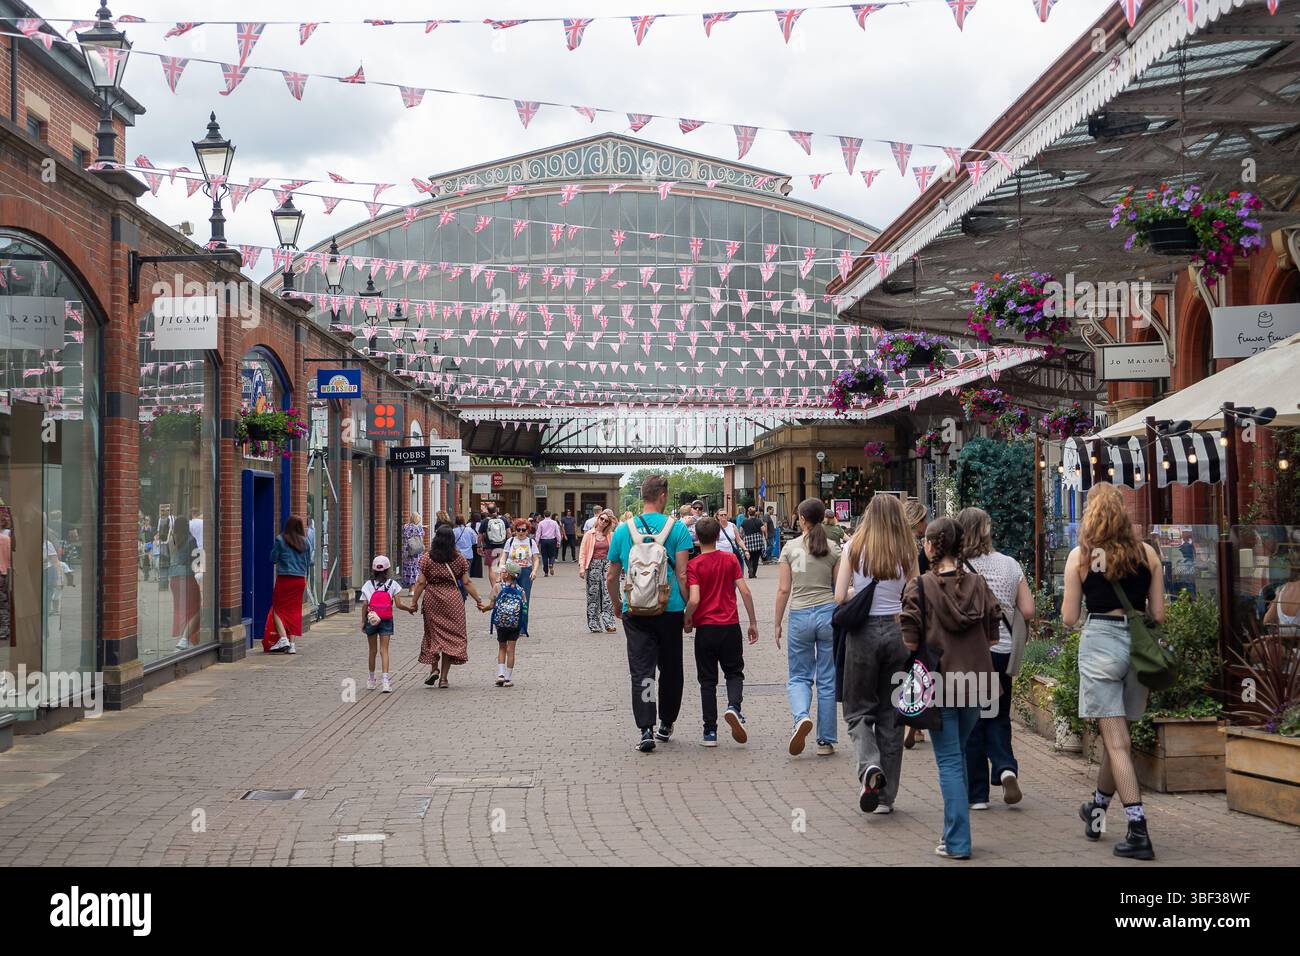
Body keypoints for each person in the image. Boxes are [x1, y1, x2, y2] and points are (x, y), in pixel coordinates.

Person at [1063, 482, 1165, 861]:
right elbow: (1157, 614)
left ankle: (1138, 830)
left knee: (1116, 742)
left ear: (1090, 516)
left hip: (1101, 643)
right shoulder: (1148, 554)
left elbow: (1070, 618)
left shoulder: (1082, 556)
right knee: (1117, 736)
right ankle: (1097, 809)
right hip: (1137, 649)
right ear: (1124, 515)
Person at [900, 517, 1002, 860]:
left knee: (949, 763)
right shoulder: (979, 583)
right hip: (978, 682)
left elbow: (910, 643)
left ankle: (958, 842)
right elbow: (991, 636)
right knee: (955, 757)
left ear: (930, 547)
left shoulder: (920, 587)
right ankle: (950, 834)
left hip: (940, 683)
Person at [834, 494, 917, 813]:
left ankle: (869, 766)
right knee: (891, 715)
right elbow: (914, 593)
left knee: (857, 711)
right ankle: (886, 797)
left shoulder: (853, 547)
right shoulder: (907, 549)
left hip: (863, 634)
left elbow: (841, 596)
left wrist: (860, 591)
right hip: (898, 634)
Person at [957, 507, 1037, 810]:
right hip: (1001, 651)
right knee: (999, 715)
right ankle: (1005, 768)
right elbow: (1028, 611)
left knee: (973, 722)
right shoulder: (1009, 564)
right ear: (988, 531)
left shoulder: (958, 569)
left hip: (970, 655)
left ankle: (977, 796)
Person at [607, 475, 693, 753]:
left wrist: (618, 605)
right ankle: (666, 722)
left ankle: (646, 728)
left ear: (643, 495)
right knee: (670, 669)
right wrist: (689, 607)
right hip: (670, 609)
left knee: (641, 670)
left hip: (636, 609)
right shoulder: (677, 528)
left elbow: (611, 576)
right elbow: (682, 573)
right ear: (663, 496)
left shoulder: (623, 530)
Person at [685, 516, 759, 747]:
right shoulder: (730, 559)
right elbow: (745, 592)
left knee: (707, 681)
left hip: (706, 629)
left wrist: (687, 618)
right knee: (734, 673)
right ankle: (734, 707)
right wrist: (753, 622)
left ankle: (710, 732)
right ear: (718, 536)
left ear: (697, 538)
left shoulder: (694, 565)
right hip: (729, 626)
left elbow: (694, 598)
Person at [776, 498, 842, 757]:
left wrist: (778, 623)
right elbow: (838, 589)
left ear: (802, 519)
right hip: (828, 614)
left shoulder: (790, 548)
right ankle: (825, 740)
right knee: (827, 678)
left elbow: (783, 589)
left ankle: (801, 716)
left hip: (800, 615)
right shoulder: (834, 547)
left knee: (799, 675)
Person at [408, 525, 489, 688]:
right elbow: (466, 582)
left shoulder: (427, 558)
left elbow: (421, 582)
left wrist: (414, 602)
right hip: (453, 600)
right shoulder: (458, 559)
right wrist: (478, 600)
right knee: (450, 639)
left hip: (432, 599)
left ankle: (434, 670)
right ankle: (444, 678)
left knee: (433, 635)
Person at [901, 497, 932, 749]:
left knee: (905, 665)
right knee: (918, 664)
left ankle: (910, 723)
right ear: (918, 521)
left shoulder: (895, 543)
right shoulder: (919, 548)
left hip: (896, 609)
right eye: (924, 520)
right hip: (917, 608)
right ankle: (916, 723)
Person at [264, 515, 312, 654]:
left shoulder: (280, 539)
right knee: (295, 611)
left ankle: (283, 638)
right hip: (299, 581)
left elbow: (273, 558)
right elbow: (309, 562)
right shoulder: (305, 542)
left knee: (278, 609)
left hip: (285, 579)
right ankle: (292, 645)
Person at [360, 555, 402, 693]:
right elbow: (398, 604)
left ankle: (371, 680)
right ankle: (385, 681)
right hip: (386, 619)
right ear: (388, 569)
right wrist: (411, 608)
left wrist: (363, 621)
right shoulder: (393, 584)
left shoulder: (368, 585)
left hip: (371, 619)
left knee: (372, 651)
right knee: (384, 651)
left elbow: (365, 605)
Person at [579, 510, 618, 633]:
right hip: (593, 565)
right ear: (598, 519)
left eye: (606, 521)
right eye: (602, 519)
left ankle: (609, 622)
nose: (603, 522)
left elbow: (615, 550)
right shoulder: (589, 534)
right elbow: (583, 551)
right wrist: (582, 567)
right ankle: (594, 623)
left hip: (607, 564)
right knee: (593, 595)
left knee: (608, 594)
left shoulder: (610, 535)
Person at [501, 520, 541, 637]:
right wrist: (502, 568)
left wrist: (534, 570)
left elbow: (536, 558)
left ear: (527, 530)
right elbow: (504, 556)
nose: (521, 532)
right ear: (515, 530)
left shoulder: (530, 542)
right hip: (511, 572)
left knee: (524, 600)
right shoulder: (510, 541)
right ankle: (509, 625)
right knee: (510, 597)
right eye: (518, 529)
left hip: (525, 571)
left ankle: (522, 628)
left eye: (523, 530)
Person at [490, 562, 528, 687]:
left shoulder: (497, 587)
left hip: (501, 623)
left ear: (507, 574)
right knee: (511, 650)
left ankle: (500, 675)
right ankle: (508, 678)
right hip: (514, 624)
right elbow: (525, 608)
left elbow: (491, 605)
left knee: (502, 647)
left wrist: (483, 608)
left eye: (503, 570)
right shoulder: (521, 590)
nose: (501, 572)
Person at [168, 512, 202, 650]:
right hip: (188, 578)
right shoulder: (191, 540)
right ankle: (184, 639)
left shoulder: (172, 540)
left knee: (181, 609)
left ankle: (185, 638)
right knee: (197, 609)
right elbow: (196, 561)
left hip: (174, 579)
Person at [480, 506, 510, 592]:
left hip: (490, 548)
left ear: (488, 511)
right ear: (496, 510)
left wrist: (480, 545)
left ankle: (494, 588)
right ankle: (501, 584)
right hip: (502, 546)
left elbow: (480, 535)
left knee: (492, 568)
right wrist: (510, 544)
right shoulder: (504, 519)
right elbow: (508, 533)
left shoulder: (485, 521)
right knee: (501, 566)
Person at [713, 508, 747, 576]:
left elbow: (739, 540)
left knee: (732, 575)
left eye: (725, 514)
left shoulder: (732, 525)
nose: (723, 516)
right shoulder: (715, 527)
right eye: (721, 515)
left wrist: (745, 550)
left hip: (731, 555)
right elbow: (711, 542)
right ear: (718, 516)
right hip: (719, 557)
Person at [739, 506, 766, 579]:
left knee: (746, 556)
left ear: (748, 513)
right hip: (757, 539)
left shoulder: (744, 521)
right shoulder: (759, 521)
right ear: (755, 513)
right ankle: (753, 573)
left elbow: (740, 531)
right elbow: (763, 529)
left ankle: (749, 567)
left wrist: (742, 537)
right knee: (756, 557)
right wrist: (764, 536)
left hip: (748, 539)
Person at [400, 513, 426, 588]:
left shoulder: (405, 527)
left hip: (407, 550)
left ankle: (409, 587)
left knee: (408, 567)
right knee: (415, 568)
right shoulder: (418, 528)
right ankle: (413, 588)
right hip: (415, 550)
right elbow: (421, 535)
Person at [536, 511, 562, 577]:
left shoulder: (541, 523)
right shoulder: (554, 522)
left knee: (544, 556)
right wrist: (559, 541)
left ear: (544, 515)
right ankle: (551, 563)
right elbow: (557, 532)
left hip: (544, 540)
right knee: (552, 554)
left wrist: (537, 542)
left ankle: (546, 572)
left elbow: (538, 533)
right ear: (550, 515)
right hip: (552, 540)